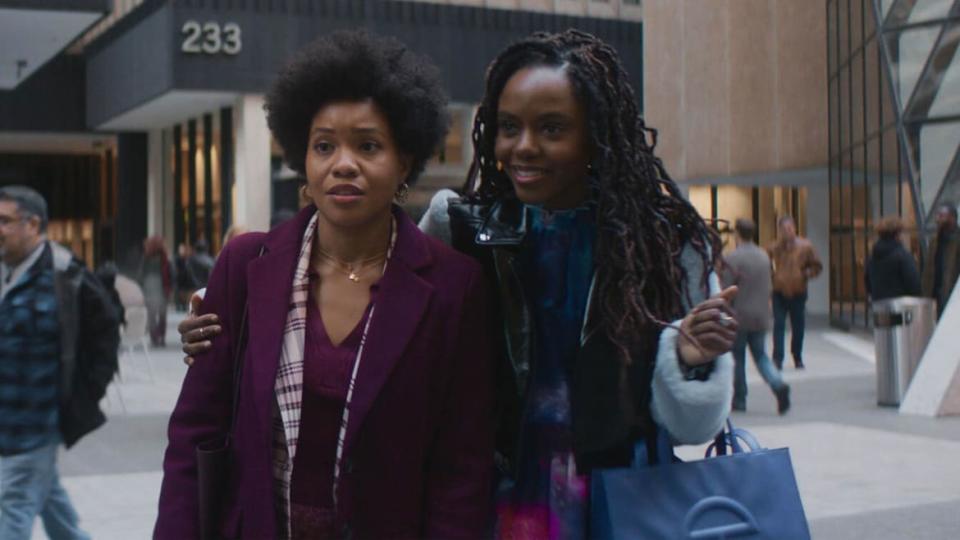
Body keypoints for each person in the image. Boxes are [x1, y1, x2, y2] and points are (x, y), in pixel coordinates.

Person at [180, 30, 738, 538]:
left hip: (623, 500)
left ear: (596, 135)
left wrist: (684, 359)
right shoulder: (462, 227)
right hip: (500, 497)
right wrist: (224, 316)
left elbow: (694, 424)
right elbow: (390, 294)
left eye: (552, 129)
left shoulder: (663, 246)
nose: (523, 147)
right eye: (509, 127)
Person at [155, 31, 493, 539]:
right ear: (303, 161)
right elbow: (195, 431)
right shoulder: (246, 266)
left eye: (368, 145)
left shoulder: (453, 285)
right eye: (324, 146)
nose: (344, 164)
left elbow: (460, 467)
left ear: (404, 162)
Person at [0, 185, 119, 540]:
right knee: (59, 518)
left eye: (4, 221)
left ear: (33, 224)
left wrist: (80, 398)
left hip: (36, 427)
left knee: (13, 513)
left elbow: (105, 338)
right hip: (8, 426)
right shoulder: (9, 273)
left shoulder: (66, 275)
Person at [722, 219, 790, 414]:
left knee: (738, 357)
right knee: (761, 356)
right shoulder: (763, 256)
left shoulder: (733, 258)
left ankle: (740, 399)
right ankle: (777, 384)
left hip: (739, 316)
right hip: (761, 314)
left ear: (737, 234)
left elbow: (727, 289)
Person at [768, 215, 822, 370]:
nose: (787, 232)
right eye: (783, 229)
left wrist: (805, 274)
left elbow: (817, 266)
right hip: (778, 290)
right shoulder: (773, 248)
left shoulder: (806, 246)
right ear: (779, 231)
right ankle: (777, 358)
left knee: (798, 326)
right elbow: (766, 264)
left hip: (798, 290)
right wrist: (773, 276)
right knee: (778, 325)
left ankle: (797, 356)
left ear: (795, 228)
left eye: (789, 228)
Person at [866, 215, 921, 301]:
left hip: (880, 304)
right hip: (901, 304)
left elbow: (868, 281)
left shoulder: (872, 257)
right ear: (897, 234)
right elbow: (913, 282)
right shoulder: (902, 255)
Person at [922, 203, 960, 319]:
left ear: (952, 218)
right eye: (937, 215)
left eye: (941, 215)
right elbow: (928, 269)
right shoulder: (935, 241)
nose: (937, 219)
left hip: (952, 295)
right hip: (935, 294)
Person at [139, 236, 172, 347]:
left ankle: (155, 337)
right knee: (162, 315)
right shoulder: (165, 257)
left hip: (151, 289)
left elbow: (141, 274)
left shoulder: (146, 257)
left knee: (152, 315)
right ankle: (161, 336)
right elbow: (171, 273)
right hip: (162, 288)